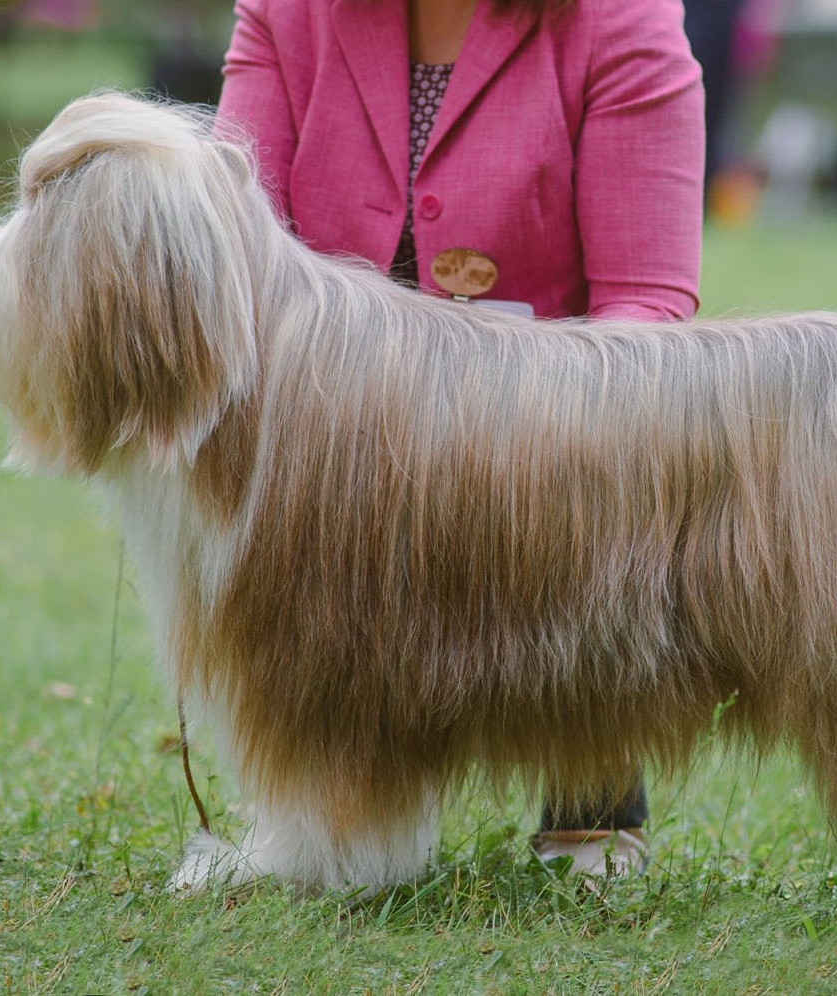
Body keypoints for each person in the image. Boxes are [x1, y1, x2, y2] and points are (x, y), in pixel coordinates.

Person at [216, 0, 705, 874]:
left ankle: (590, 799)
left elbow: (647, 307)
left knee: (601, 462)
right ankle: (331, 805)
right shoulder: (285, 14)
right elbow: (231, 257)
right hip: (331, 436)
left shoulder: (621, 19)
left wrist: (506, 423)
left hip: (549, 447)